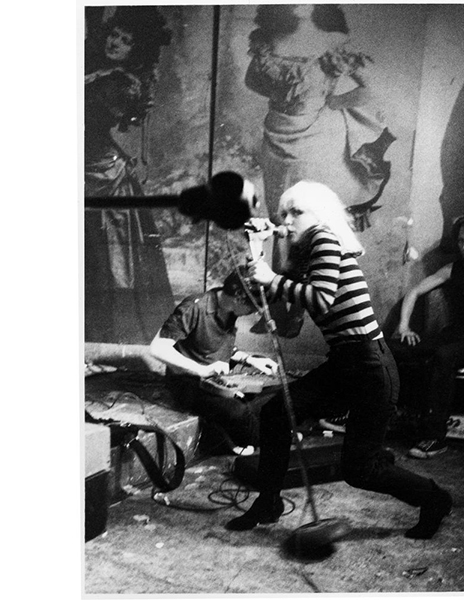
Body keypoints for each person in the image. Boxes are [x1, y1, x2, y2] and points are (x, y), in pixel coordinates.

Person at [225, 181, 452, 540]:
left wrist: (271, 278)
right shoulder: (310, 250)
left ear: (319, 214)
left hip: (369, 365)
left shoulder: (324, 238)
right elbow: (279, 295)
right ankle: (268, 503)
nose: (287, 220)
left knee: (361, 469)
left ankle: (435, 498)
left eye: (296, 212)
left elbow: (320, 299)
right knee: (276, 414)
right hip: (346, 361)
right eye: (284, 214)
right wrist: (259, 246)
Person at [245, 4, 395, 336]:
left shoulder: (333, 40)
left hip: (316, 139)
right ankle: (277, 306)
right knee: (278, 219)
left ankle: (296, 311)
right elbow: (252, 81)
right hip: (276, 137)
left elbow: (370, 87)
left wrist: (333, 101)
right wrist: (287, 91)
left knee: (305, 222)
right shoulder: (268, 39)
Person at [85, 6, 174, 344]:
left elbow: (106, 127)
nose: (115, 42)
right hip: (88, 166)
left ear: (136, 49)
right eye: (114, 35)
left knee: (110, 258)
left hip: (103, 173)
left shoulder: (122, 84)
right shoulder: (101, 73)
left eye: (125, 40)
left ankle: (110, 338)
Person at [395, 214, 464, 459]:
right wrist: (404, 326)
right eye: (461, 240)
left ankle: (435, 438)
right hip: (455, 334)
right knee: (391, 348)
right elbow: (415, 291)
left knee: (444, 356)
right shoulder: (454, 268)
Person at [150, 267, 279, 456]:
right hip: (189, 383)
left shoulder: (231, 310)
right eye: (253, 307)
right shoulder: (195, 307)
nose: (254, 313)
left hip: (216, 381)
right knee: (237, 411)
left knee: (276, 392)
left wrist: (250, 359)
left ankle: (248, 434)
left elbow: (216, 345)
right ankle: (270, 438)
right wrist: (201, 370)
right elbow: (157, 348)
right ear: (239, 296)